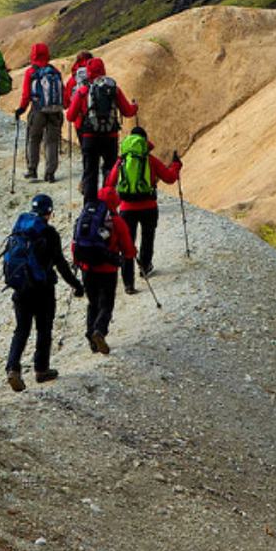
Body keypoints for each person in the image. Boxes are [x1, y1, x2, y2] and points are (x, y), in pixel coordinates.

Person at [1, 194, 82, 392]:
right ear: (49, 212)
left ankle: (13, 368)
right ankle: (41, 369)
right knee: (44, 329)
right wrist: (77, 285)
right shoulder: (49, 233)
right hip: (43, 289)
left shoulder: (20, 229)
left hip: (20, 288)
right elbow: (61, 264)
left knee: (21, 329)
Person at [106, 127, 182, 285]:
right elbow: (169, 178)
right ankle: (145, 266)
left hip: (126, 208)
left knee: (127, 244)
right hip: (148, 206)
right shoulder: (150, 160)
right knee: (148, 237)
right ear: (145, 142)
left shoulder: (122, 160)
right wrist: (176, 166)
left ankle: (128, 283)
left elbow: (110, 183)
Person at [70, 187, 136, 355]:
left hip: (87, 268)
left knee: (93, 303)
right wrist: (129, 255)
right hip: (108, 268)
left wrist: (78, 262)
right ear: (116, 201)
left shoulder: (86, 217)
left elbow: (75, 242)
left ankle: (91, 339)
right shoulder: (117, 221)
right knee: (106, 303)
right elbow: (128, 247)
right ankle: (99, 330)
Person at [66, 57, 138, 203]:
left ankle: (90, 207)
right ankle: (108, 204)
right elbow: (127, 111)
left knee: (90, 173)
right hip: (110, 136)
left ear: (88, 73)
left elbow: (70, 116)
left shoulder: (83, 91)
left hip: (90, 137)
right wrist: (134, 106)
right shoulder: (114, 90)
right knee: (110, 171)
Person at [13, 43, 66, 182]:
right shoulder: (54, 71)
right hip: (55, 111)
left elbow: (26, 94)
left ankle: (32, 170)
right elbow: (63, 92)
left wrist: (21, 109)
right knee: (52, 141)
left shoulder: (31, 72)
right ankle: (50, 173)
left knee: (33, 139)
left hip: (38, 111)